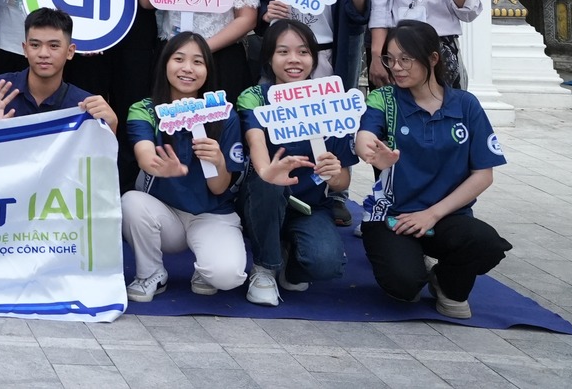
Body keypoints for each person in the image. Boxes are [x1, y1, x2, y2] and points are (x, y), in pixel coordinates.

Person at [356, 19, 512, 318]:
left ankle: (445, 281)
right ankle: (410, 264)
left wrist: (432, 214)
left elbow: (483, 174)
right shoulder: (385, 99)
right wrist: (371, 151)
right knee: (404, 287)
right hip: (392, 217)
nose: (396, 67)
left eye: (406, 59)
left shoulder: (465, 105)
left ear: (432, 58)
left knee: (488, 244)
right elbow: (365, 134)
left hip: (446, 217)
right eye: (390, 59)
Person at [121, 32, 247, 302]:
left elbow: (219, 188)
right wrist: (158, 167)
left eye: (197, 62)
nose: (188, 68)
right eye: (179, 59)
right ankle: (150, 273)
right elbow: (144, 155)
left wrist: (218, 161)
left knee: (227, 276)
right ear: (164, 63)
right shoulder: (145, 109)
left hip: (212, 214)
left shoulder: (225, 115)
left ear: (208, 69)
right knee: (131, 201)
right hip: (166, 214)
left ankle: (205, 268)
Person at [236, 19, 353, 306]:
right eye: (283, 52)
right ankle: (264, 268)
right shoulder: (254, 97)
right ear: (269, 58)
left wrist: (333, 175)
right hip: (262, 200)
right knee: (268, 181)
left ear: (314, 57)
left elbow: (343, 181)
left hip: (310, 207)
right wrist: (268, 170)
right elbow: (256, 142)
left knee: (326, 264)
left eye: (303, 52)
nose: (294, 60)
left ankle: (290, 260)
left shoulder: (331, 100)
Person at [0, 8, 117, 127]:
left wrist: (111, 125)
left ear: (70, 52)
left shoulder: (84, 105)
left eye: (54, 46)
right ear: (25, 49)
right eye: (35, 45)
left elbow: (99, 156)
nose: (43, 54)